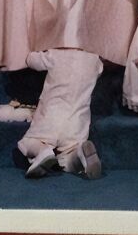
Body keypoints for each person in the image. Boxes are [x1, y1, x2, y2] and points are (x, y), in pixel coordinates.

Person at [16, 48, 103, 180]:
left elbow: (31, 60)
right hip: (78, 121)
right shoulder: (95, 61)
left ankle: (42, 151)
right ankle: (79, 153)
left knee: (28, 142)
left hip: (51, 117)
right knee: (68, 154)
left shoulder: (54, 55)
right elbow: (99, 71)